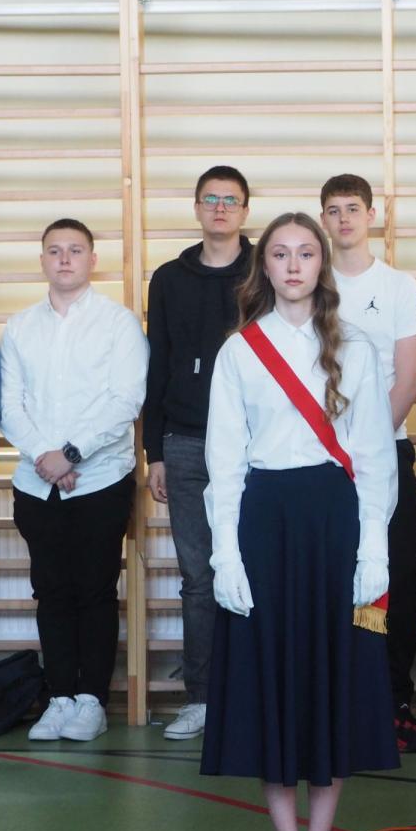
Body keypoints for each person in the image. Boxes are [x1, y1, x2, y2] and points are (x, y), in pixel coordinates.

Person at [201, 213, 399, 831]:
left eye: (306, 253)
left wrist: (375, 549)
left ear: (322, 263)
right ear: (263, 266)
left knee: (329, 679)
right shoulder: (239, 351)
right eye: (280, 253)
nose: (293, 265)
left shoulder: (356, 346)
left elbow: (375, 455)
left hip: (334, 520)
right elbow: (223, 463)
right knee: (274, 681)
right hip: (264, 523)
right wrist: (225, 555)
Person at [1, 218, 147, 741]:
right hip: (36, 483)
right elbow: (9, 404)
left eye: (76, 250)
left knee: (95, 590)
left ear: (92, 260)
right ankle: (59, 696)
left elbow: (125, 399)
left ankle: (91, 701)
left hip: (100, 479)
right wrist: (45, 457)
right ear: (42, 259)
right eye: (55, 250)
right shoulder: (20, 326)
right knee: (52, 592)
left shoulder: (119, 324)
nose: (65, 259)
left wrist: (69, 454)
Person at [319, 174, 416, 752]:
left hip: (386, 451)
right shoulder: (310, 284)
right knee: (331, 578)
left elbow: (408, 380)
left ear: (372, 215)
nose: (343, 219)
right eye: (333, 210)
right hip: (319, 460)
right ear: (323, 219)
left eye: (352, 208)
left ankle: (394, 703)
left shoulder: (397, 287)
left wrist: (366, 448)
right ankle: (334, 704)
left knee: (401, 576)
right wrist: (333, 451)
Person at [143, 165, 253, 739]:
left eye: (230, 200)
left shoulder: (264, 270)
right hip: (185, 442)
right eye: (210, 198)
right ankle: (203, 698)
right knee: (198, 577)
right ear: (196, 208)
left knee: (255, 568)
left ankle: (257, 694)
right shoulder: (169, 278)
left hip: (255, 447)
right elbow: (157, 362)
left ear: (245, 211)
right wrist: (154, 451)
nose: (220, 208)